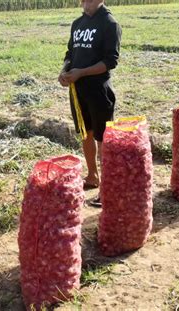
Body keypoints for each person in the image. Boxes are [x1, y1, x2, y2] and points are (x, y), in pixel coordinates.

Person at [58, 0, 121, 206]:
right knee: (86, 133)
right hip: (78, 92)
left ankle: (108, 190)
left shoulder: (109, 24)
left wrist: (81, 72)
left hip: (98, 90)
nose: (86, 3)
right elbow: (70, 54)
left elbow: (111, 61)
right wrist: (65, 71)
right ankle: (93, 176)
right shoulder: (77, 24)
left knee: (103, 139)